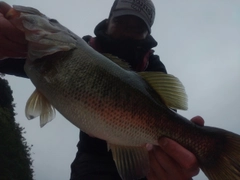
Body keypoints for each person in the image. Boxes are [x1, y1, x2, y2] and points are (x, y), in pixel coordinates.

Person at [0, 0, 205, 179]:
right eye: (121, 23)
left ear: (147, 35)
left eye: (137, 28)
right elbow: (8, 60)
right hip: (92, 159)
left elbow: (168, 118)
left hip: (145, 160)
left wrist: (177, 156)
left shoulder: (153, 67)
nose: (127, 32)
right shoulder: (69, 51)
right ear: (108, 22)